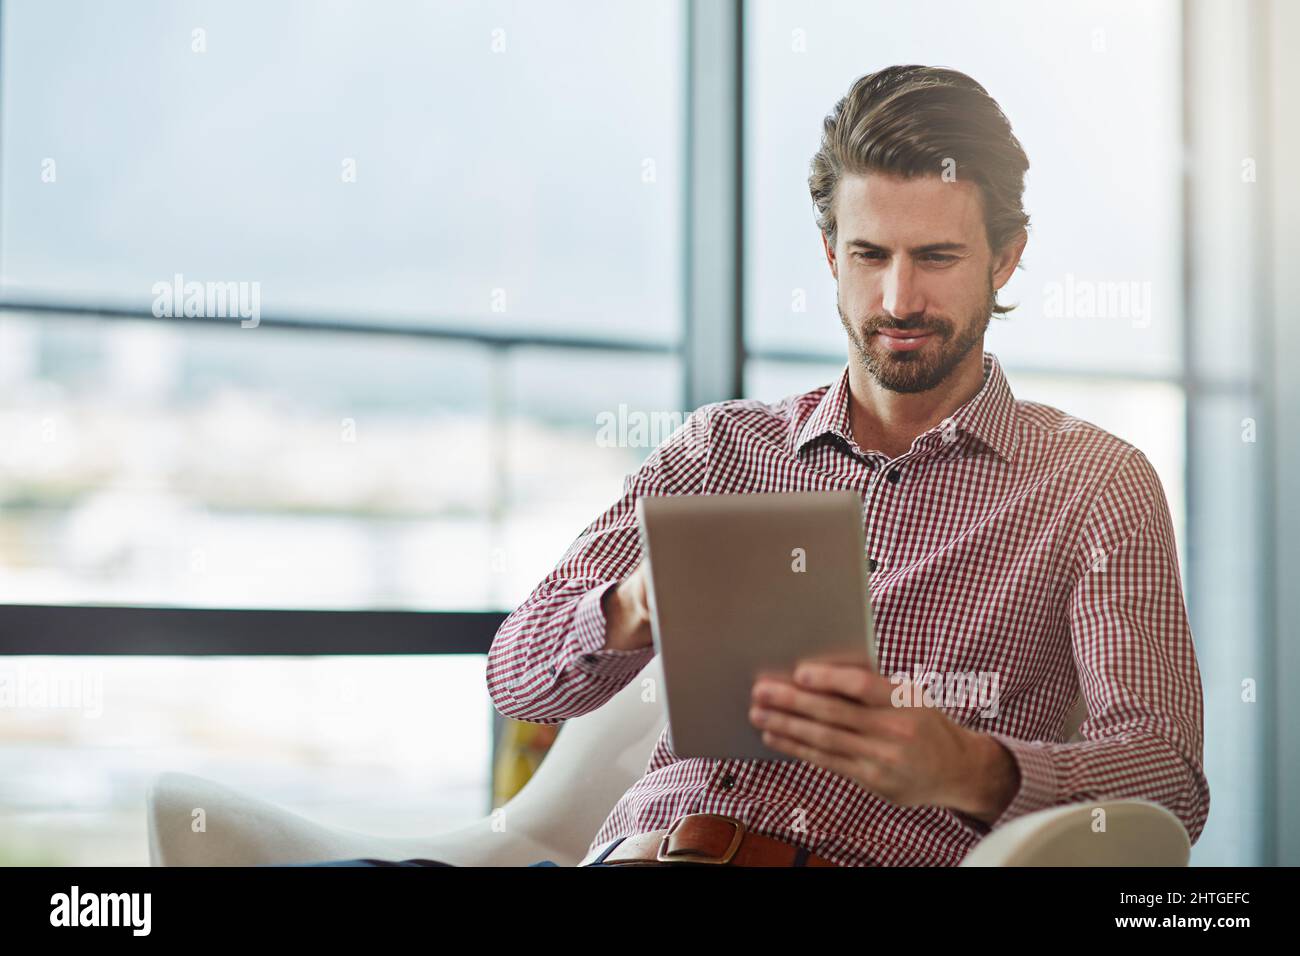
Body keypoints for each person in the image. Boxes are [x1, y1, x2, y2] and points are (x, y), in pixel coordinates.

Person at [313, 63, 1210, 868]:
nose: (898, 299)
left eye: (936, 258)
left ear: (1006, 258)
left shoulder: (1096, 485)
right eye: (869, 256)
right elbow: (515, 672)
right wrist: (630, 607)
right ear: (830, 255)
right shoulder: (723, 450)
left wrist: (967, 768)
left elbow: (1167, 781)